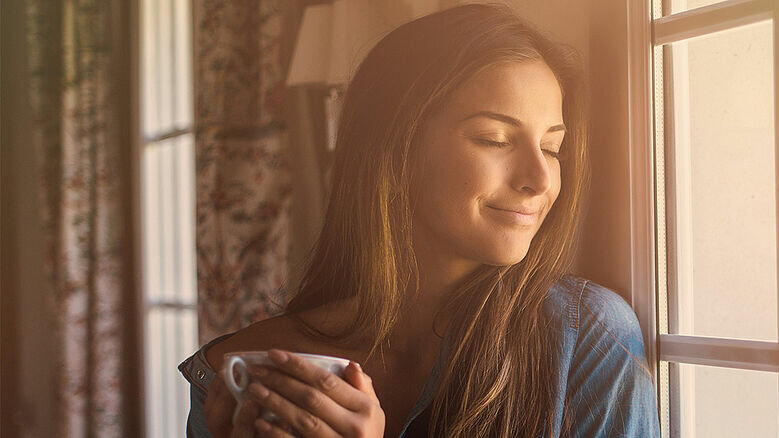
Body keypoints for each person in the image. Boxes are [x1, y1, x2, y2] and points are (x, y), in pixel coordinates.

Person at [179, 3, 661, 437]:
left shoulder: (584, 336)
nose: (540, 178)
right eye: (495, 139)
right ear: (395, 147)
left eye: (552, 147)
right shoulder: (244, 373)